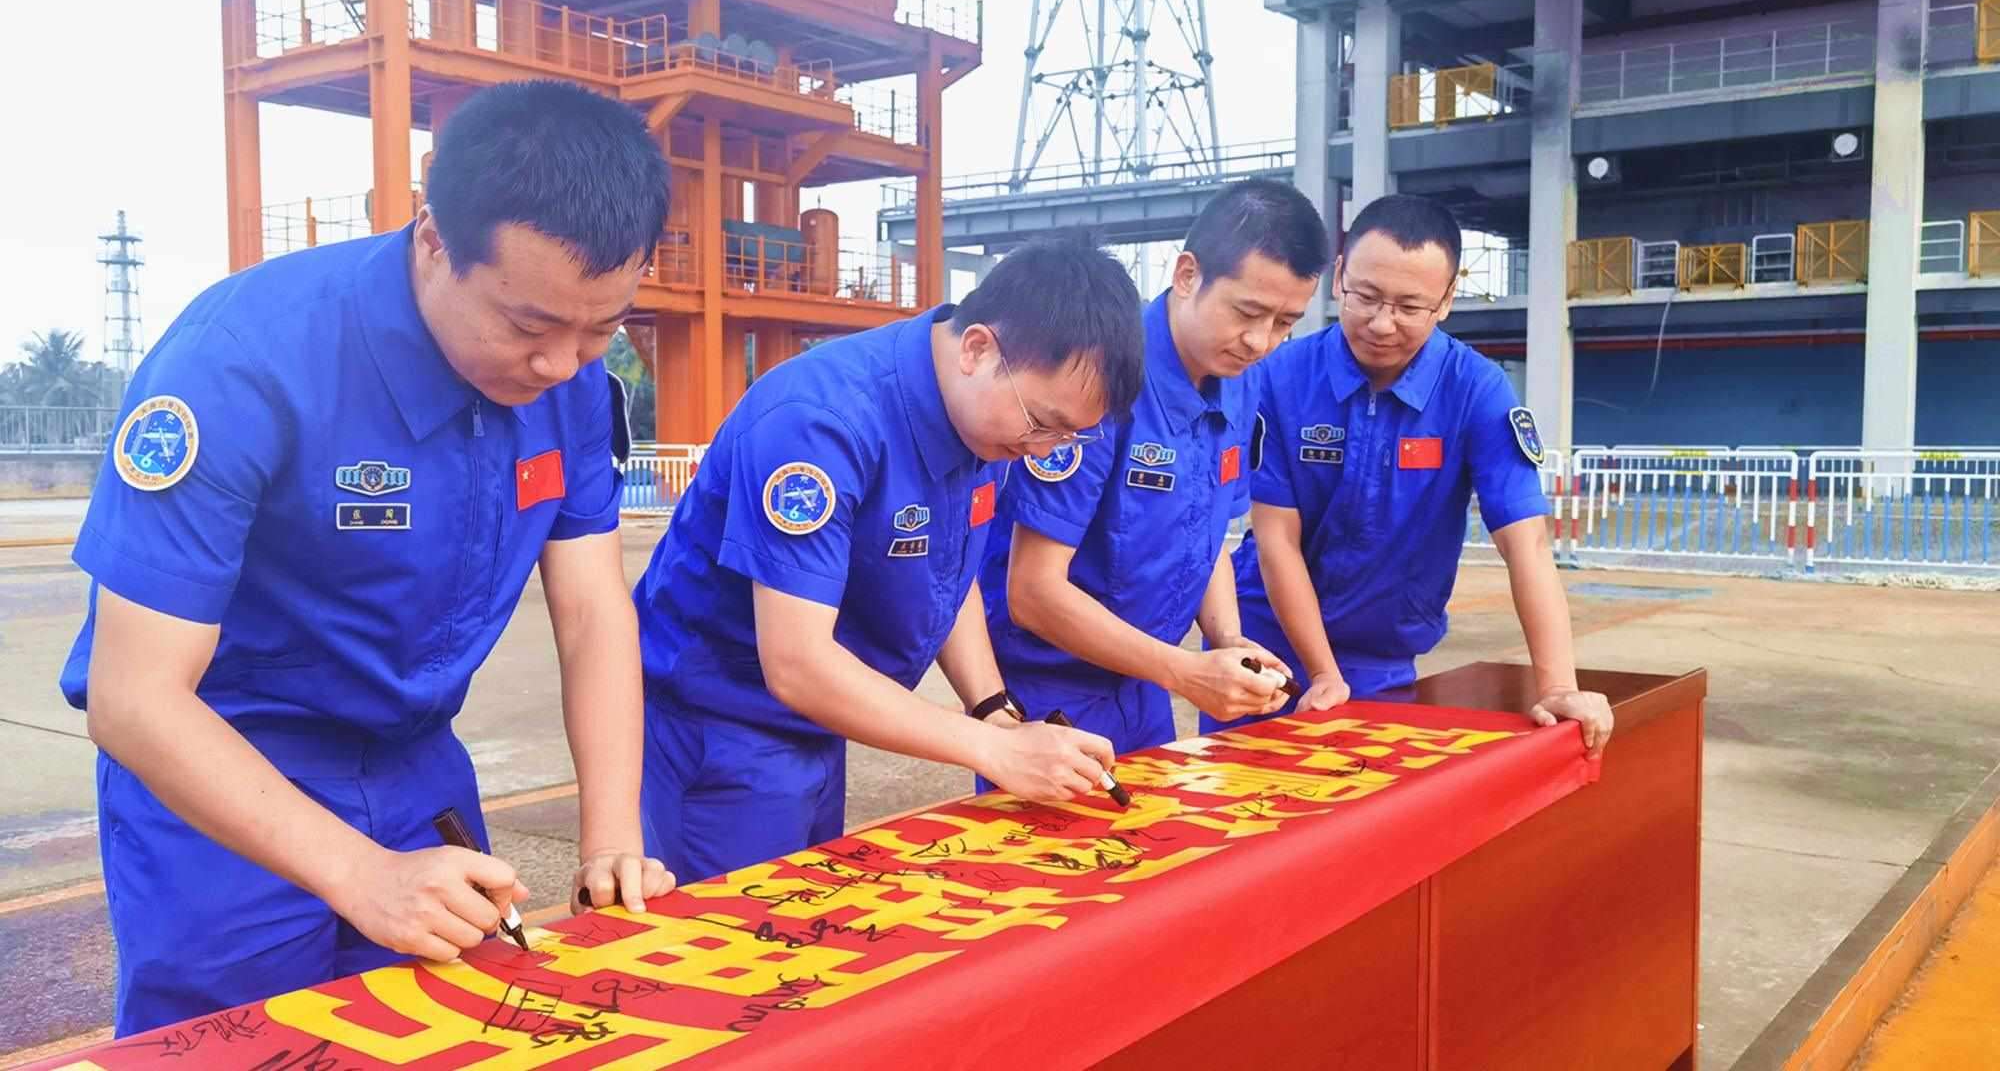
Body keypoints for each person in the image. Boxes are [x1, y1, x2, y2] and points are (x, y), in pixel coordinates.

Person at [63, 80, 675, 1036]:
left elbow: (594, 612)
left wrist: (611, 840)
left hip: (417, 771)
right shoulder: (241, 363)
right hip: (225, 783)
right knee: (241, 1045)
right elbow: (133, 697)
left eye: (601, 328)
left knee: (452, 1032)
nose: (560, 365)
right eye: (528, 327)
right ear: (433, 236)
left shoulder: (572, 386)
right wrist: (358, 872)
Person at [632, 237, 1145, 882]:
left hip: (822, 720)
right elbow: (797, 664)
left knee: (808, 912)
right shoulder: (820, 423)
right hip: (724, 725)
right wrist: (990, 750)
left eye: (1067, 435)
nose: (1044, 449)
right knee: (743, 931)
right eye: (1043, 423)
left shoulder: (985, 426)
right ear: (978, 349)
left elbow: (949, 573)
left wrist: (994, 711)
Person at [1207, 194, 1614, 755]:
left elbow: (1527, 545)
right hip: (1264, 646)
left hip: (1380, 654)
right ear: (1339, 276)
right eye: (1365, 296)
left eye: (1409, 306)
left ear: (1446, 301)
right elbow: (1278, 539)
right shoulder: (1280, 377)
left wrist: (1559, 687)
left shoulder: (1475, 390)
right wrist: (1323, 673)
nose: (1381, 323)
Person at [980, 182, 1330, 756]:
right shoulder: (1098, 376)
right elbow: (1033, 591)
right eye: (1247, 312)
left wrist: (1228, 638)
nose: (1259, 341)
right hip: (1055, 693)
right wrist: (1183, 672)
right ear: (1187, 275)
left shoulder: (1240, 383)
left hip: (1146, 682)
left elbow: (1207, 534)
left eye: (1285, 322)